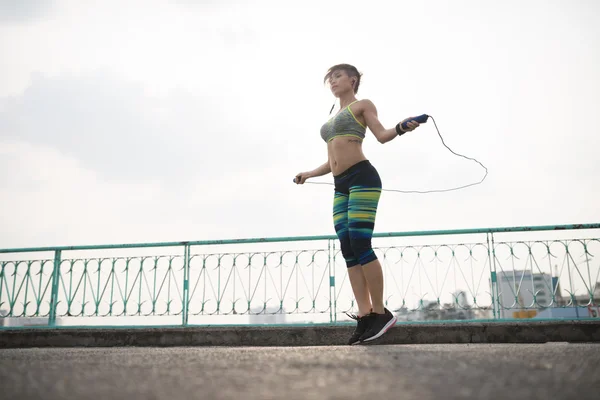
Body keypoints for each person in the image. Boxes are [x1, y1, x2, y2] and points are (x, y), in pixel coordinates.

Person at [294, 64, 421, 345]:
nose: (333, 81)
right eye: (330, 79)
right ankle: (364, 316)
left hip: (363, 177)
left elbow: (383, 135)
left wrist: (403, 127)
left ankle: (380, 312)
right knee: (348, 247)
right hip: (340, 186)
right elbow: (332, 160)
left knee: (360, 242)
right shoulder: (332, 117)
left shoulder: (362, 105)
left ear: (352, 80)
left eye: (337, 76)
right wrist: (309, 173)